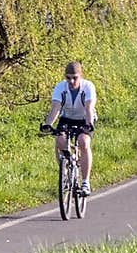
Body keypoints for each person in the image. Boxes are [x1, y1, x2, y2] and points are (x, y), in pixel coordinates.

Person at [40, 59, 97, 195]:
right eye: (68, 78)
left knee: (84, 143)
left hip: (84, 118)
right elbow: (56, 108)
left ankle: (85, 183)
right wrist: (48, 124)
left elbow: (89, 108)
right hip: (67, 118)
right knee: (59, 141)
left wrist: (88, 126)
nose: (71, 82)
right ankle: (66, 168)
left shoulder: (88, 87)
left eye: (75, 78)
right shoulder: (60, 87)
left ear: (81, 76)